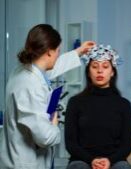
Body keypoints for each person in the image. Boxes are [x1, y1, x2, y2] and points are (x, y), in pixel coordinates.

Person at [0, 24, 95, 169]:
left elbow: (51, 68)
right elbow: (46, 138)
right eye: (58, 51)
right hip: (24, 163)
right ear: (49, 51)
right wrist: (54, 119)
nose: (58, 55)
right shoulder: (29, 84)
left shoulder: (24, 70)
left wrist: (78, 52)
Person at [65, 44, 131, 169]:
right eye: (94, 66)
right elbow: (71, 144)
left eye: (105, 66)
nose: (100, 71)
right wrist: (92, 160)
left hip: (115, 161)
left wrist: (109, 161)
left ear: (112, 72)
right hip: (82, 160)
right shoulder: (75, 102)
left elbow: (126, 146)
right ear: (88, 72)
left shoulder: (123, 104)